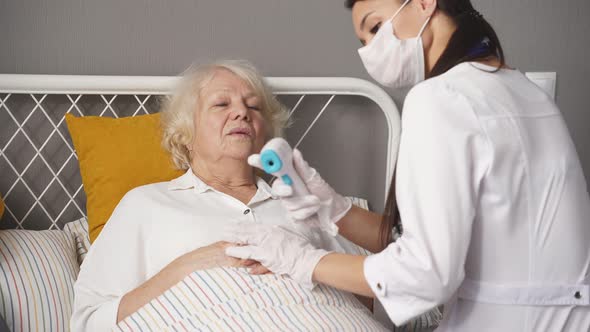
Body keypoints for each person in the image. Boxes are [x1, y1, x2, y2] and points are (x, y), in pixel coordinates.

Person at [224, 1, 590, 331]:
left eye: (375, 27)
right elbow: (439, 241)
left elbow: (425, 273)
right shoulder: (524, 89)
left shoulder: (440, 98)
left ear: (425, 3)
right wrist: (333, 209)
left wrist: (303, 261)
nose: (369, 51)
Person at [71, 60, 368, 331]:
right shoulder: (145, 204)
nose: (241, 112)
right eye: (221, 104)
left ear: (266, 132)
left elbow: (368, 300)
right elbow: (89, 321)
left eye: (253, 107)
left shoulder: (303, 204)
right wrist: (190, 265)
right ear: (186, 132)